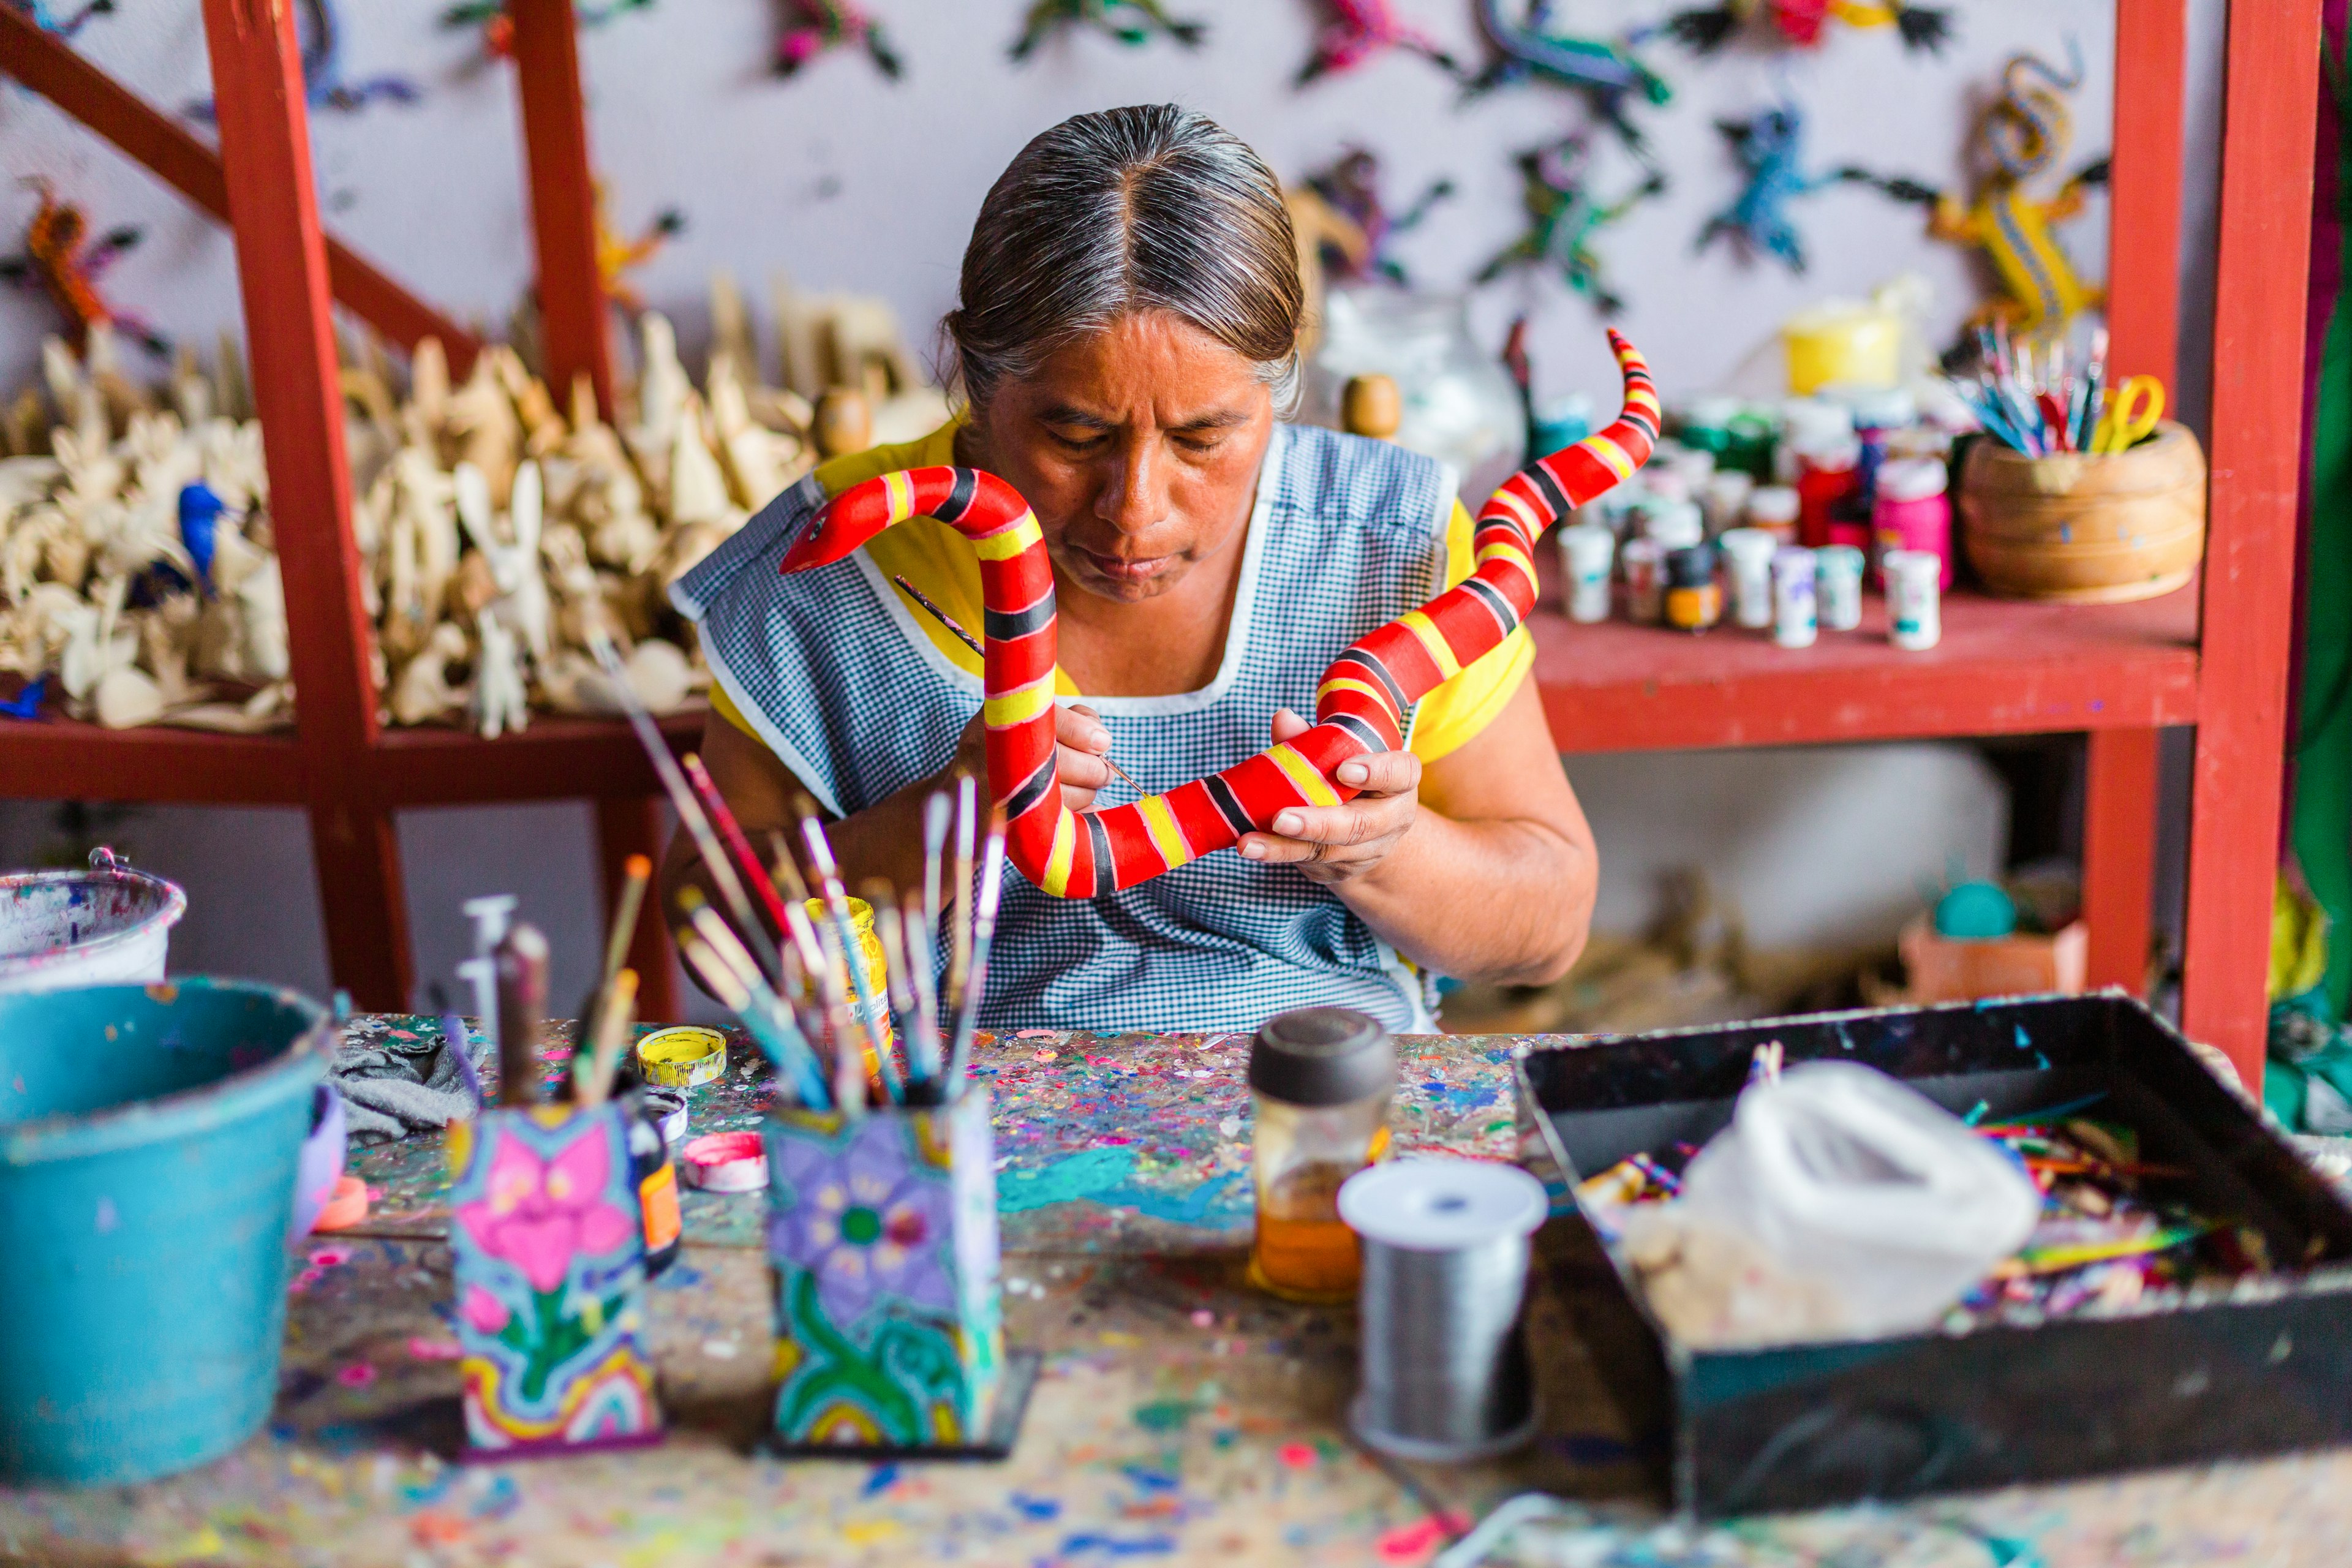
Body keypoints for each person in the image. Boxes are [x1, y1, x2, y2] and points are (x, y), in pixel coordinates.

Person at [668, 104, 1599, 1033]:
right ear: (973, 379)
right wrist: (945, 819)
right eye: (1077, 436)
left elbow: (1549, 931)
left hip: (1315, 1079)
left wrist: (1384, 849)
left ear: (1278, 388)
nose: (1135, 509)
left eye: (1203, 438)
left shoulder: (1387, 543)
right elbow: (707, 931)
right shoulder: (841, 554)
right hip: (954, 1090)